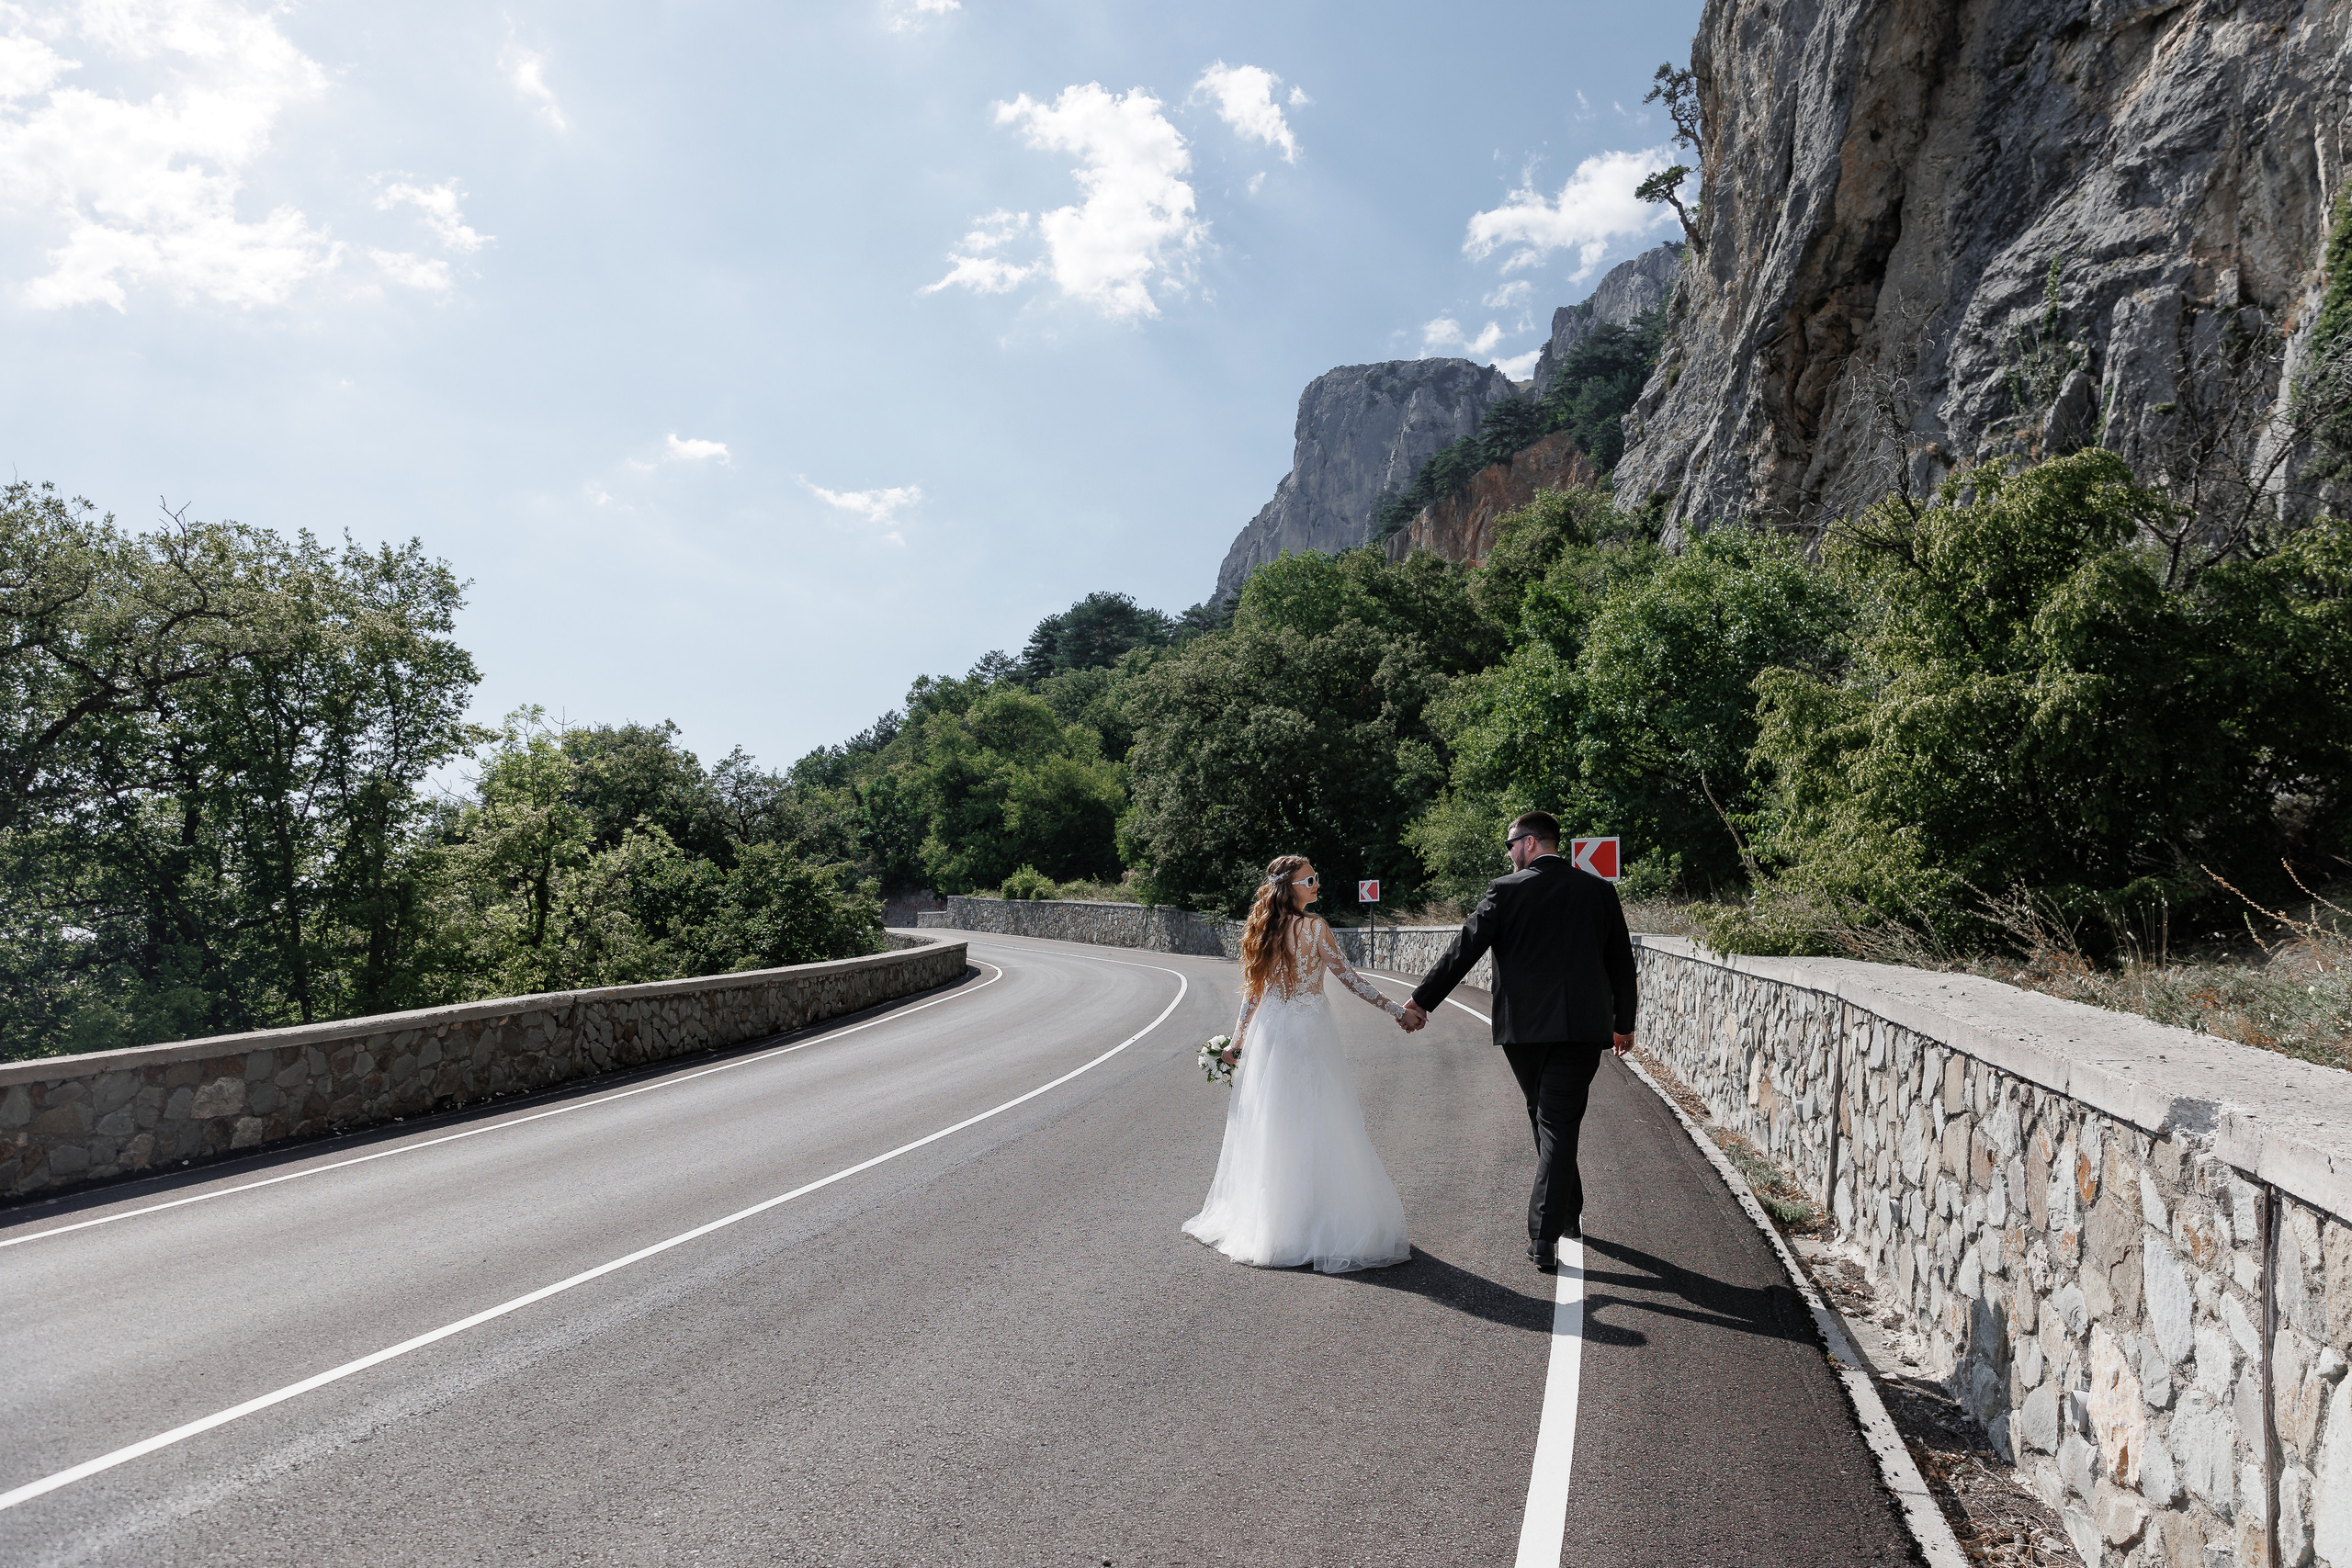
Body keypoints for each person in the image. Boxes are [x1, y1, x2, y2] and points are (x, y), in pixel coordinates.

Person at [1401, 811, 1636, 1273]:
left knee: (1550, 1118)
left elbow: (1463, 949)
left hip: (1524, 1032)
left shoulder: (1506, 891)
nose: (1508, 853)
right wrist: (1623, 1022)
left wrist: (1422, 1002)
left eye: (1510, 844)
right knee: (1553, 1119)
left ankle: (1543, 1235)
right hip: (1582, 1030)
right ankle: (1568, 1212)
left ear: (1529, 843)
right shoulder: (1597, 891)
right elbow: (1621, 961)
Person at [1182, 854, 1417, 1274]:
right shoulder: (1314, 927)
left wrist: (1237, 1040)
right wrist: (1397, 1010)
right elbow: (1350, 978)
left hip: (1272, 1033)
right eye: (1311, 879)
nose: (1317, 885)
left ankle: (1278, 1225)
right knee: (1320, 1119)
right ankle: (1314, 1224)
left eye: (1316, 877)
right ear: (1290, 886)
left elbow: (1253, 994)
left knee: (1276, 1124)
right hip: (1308, 1033)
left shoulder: (1265, 929)